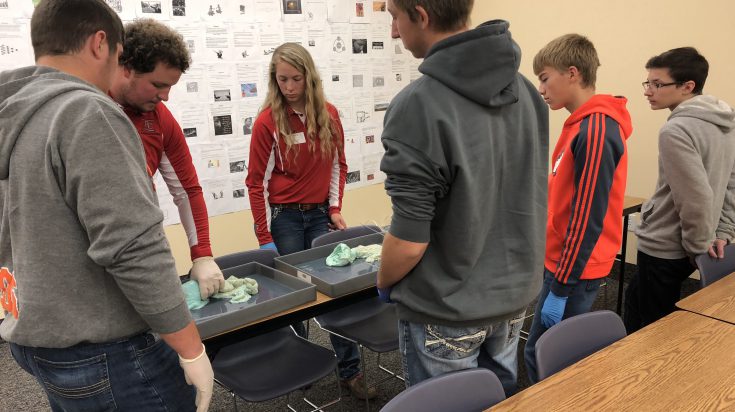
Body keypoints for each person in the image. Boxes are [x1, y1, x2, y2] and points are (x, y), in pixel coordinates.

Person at [0, 1, 213, 411]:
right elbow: (130, 246)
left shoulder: (18, 113)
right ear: (101, 44)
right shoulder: (87, 111)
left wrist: (201, 252)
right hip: (100, 348)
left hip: (37, 334)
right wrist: (189, 346)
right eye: (117, 56)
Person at [377, 0, 549, 396]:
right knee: (497, 400)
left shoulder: (416, 104)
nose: (392, 31)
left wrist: (384, 282)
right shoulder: (525, 90)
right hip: (513, 298)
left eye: (394, 18)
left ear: (420, 15)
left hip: (446, 308)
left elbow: (407, 243)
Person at [245, 43, 375, 399]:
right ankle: (300, 371)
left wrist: (334, 208)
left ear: (309, 77)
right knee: (296, 300)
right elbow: (256, 183)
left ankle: (350, 372)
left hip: (319, 216)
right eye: (281, 79)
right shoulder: (268, 122)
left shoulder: (328, 114)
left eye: (295, 79)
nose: (288, 86)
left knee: (337, 295)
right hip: (285, 220)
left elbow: (337, 165)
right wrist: (264, 237)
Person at [522, 34, 633, 383]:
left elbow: (586, 218)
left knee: (546, 357)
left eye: (544, 77)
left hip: (575, 269)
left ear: (572, 73)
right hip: (562, 261)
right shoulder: (580, 125)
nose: (541, 88)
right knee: (553, 355)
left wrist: (560, 286)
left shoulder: (596, 129)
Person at [109, 19, 225, 301]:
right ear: (127, 68)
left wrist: (202, 255)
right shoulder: (89, 108)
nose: (166, 96)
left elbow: (187, 190)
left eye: (170, 86)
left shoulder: (159, 119)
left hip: (144, 250)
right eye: (158, 85)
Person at [624, 47, 735, 333]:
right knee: (637, 300)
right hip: (694, 240)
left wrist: (698, 248)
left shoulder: (676, 130)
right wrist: (723, 231)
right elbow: (730, 183)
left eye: (658, 84)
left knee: (652, 330)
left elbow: (695, 197)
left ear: (688, 86)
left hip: (668, 247)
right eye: (647, 83)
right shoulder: (727, 121)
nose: (648, 91)